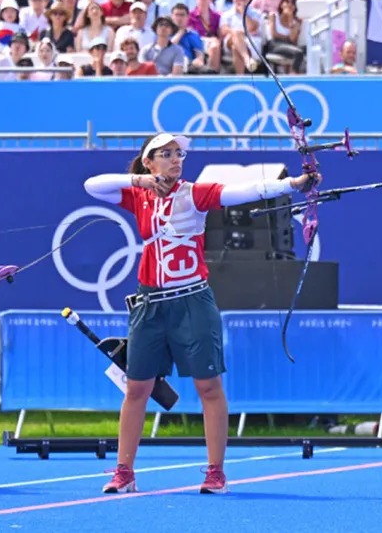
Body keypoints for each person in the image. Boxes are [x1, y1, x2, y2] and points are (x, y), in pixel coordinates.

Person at [83, 133, 320, 495]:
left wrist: (294, 183)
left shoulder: (195, 193)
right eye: (166, 154)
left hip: (192, 300)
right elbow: (91, 185)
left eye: (180, 153)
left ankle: (215, 471)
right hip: (150, 304)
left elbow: (246, 191)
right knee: (137, 388)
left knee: (208, 386)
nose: (176, 159)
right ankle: (124, 471)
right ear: (149, 162)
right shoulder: (139, 195)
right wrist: (140, 181)